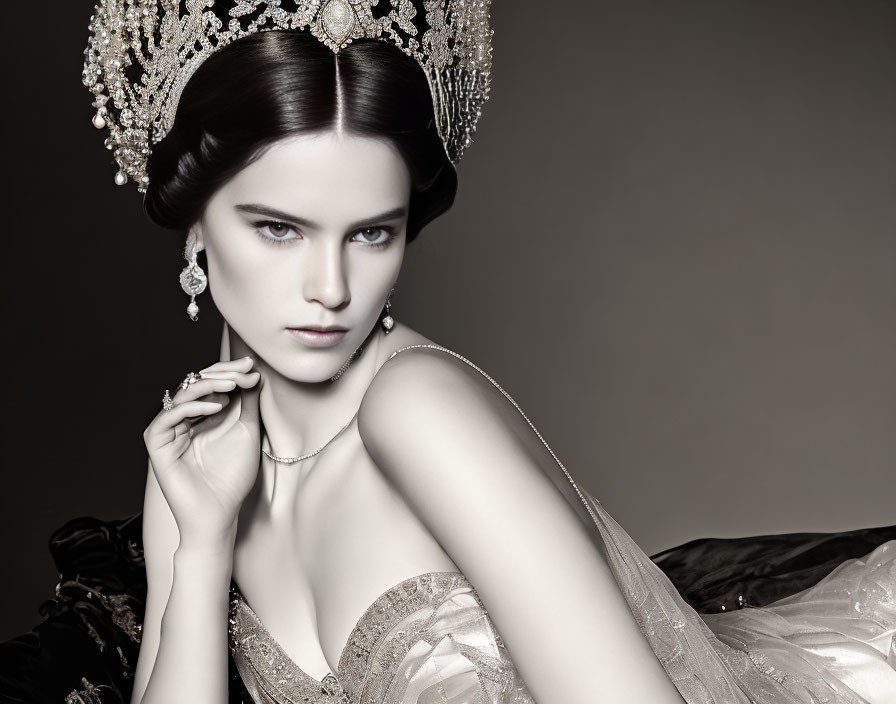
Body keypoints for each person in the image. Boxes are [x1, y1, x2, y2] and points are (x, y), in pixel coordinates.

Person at [1, 2, 894, 703]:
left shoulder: (418, 408)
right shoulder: (198, 465)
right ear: (198, 233)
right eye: (279, 229)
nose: (331, 287)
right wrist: (198, 548)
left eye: (372, 234)